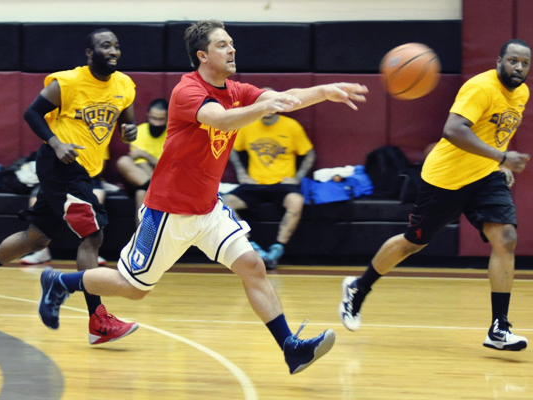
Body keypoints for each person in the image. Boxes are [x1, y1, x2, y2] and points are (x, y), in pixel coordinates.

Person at [36, 20, 368, 374]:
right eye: (223, 45)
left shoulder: (236, 89)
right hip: (168, 213)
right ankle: (60, 281)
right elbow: (222, 121)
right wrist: (266, 107)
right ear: (202, 55)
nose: (232, 49)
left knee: (253, 266)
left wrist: (325, 91)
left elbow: (283, 99)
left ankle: (291, 348)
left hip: (208, 209)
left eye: (231, 43)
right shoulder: (187, 91)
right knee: (133, 288)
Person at [339, 39, 533, 351]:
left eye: (525, 63)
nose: (519, 68)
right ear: (499, 61)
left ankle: (499, 327)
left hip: (484, 177)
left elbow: (494, 132)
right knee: (411, 243)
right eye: (513, 61)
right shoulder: (480, 87)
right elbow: (453, 130)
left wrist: (499, 162)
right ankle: (358, 289)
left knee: (506, 238)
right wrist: (501, 158)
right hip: (445, 180)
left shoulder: (521, 93)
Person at [0, 28, 139, 345]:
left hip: (84, 171)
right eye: (105, 45)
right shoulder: (67, 82)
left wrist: (129, 130)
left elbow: (126, 120)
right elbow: (32, 112)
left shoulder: (125, 85)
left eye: (117, 46)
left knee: (36, 239)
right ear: (90, 53)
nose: (113, 50)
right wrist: (55, 142)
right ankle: (98, 320)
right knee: (92, 236)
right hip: (61, 165)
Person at [224, 102, 316, 269]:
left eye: (271, 104)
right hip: (254, 184)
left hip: (282, 184)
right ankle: (253, 247)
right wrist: (241, 174)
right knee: (224, 203)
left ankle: (277, 249)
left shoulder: (291, 126)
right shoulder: (248, 125)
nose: (267, 109)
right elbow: (231, 147)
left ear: (278, 106)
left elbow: (309, 153)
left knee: (297, 201)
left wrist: (297, 177)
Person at [18, 186, 108, 266]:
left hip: (88, 180)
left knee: (95, 198)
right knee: (37, 201)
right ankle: (41, 252)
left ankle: (93, 252)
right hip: (52, 181)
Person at [116, 98, 169, 223]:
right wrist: (150, 163)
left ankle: (142, 238)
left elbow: (167, 167)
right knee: (123, 161)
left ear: (168, 118)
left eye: (161, 119)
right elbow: (140, 162)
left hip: (164, 179)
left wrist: (145, 154)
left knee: (141, 193)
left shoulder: (172, 133)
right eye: (153, 118)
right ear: (148, 116)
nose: (156, 123)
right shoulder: (139, 131)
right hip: (144, 177)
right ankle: (154, 188)